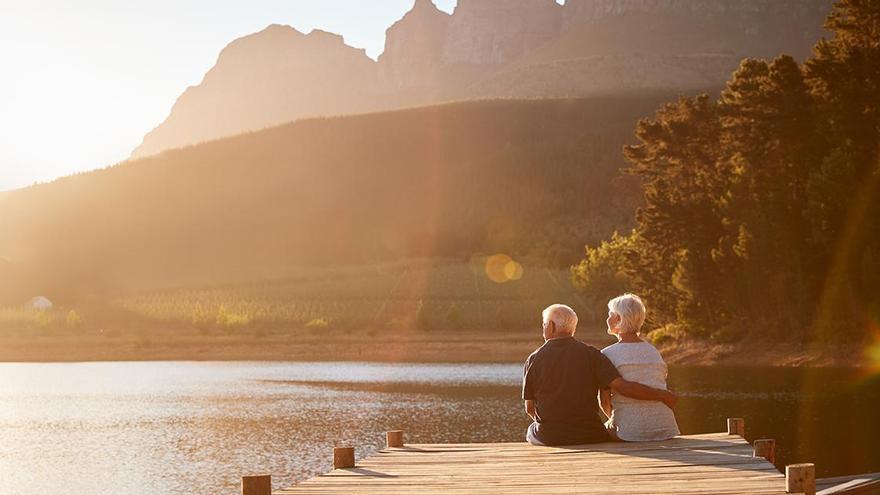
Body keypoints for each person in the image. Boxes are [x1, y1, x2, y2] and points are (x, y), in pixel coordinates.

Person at [523, 303, 676, 446]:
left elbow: (529, 408)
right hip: (590, 434)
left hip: (550, 436)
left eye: (544, 324)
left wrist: (553, 427)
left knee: (531, 431)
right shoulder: (593, 355)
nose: (543, 328)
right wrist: (662, 395)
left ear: (550, 327)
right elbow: (621, 386)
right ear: (573, 329)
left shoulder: (534, 359)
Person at [600, 293, 680, 441]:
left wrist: (619, 420)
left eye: (610, 315)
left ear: (618, 319)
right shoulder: (653, 351)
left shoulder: (606, 354)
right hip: (665, 428)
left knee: (601, 431)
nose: (607, 319)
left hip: (630, 432)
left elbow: (604, 402)